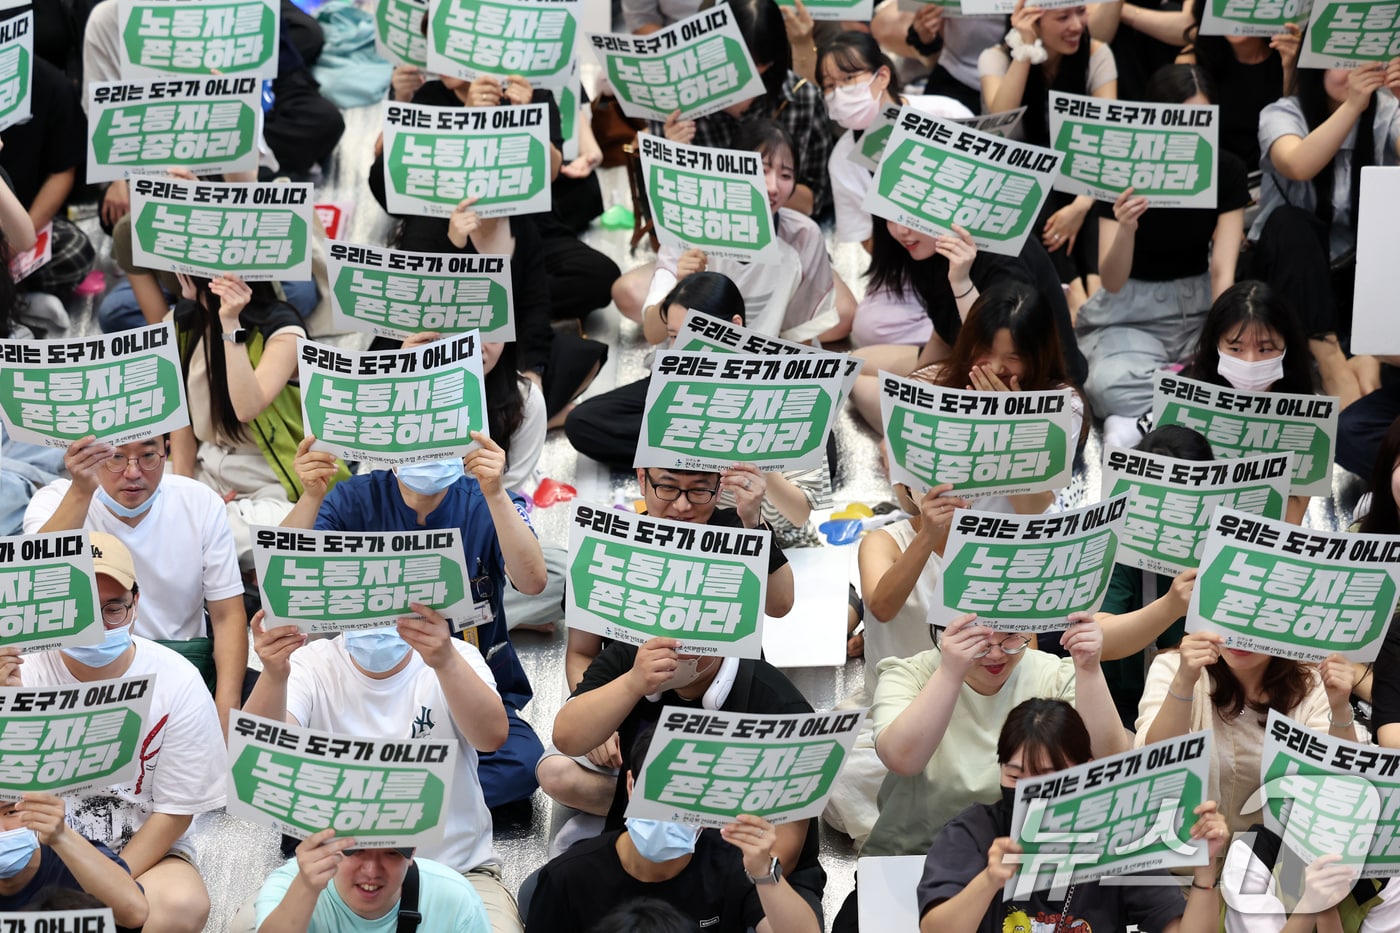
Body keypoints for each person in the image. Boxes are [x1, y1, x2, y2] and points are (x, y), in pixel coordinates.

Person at [285, 431, 547, 815]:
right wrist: (310, 496)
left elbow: (533, 580)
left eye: (438, 437)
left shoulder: (482, 502)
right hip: (366, 690)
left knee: (523, 764)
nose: (426, 449)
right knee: (292, 766)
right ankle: (418, 806)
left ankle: (367, 807)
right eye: (411, 438)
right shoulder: (351, 500)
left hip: (464, 691)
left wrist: (496, 492)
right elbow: (286, 582)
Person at [829, 610, 1124, 933]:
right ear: (946, 629)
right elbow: (903, 759)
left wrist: (1090, 669)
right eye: (981, 639)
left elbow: (1106, 764)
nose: (996, 653)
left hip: (1029, 871)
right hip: (913, 857)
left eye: (1011, 636)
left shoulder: (1056, 673)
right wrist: (951, 672)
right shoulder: (908, 673)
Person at [245, 601, 521, 933]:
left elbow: (491, 737)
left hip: (458, 869)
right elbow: (259, 756)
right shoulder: (310, 664)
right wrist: (274, 675)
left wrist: (446, 662)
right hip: (337, 875)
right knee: (248, 925)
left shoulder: (456, 656)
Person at [1, 532, 227, 933]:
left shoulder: (177, 679)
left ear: (135, 604)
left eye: (113, 609)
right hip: (34, 848)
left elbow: (175, 811)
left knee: (180, 904)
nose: (97, 625)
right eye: (81, 609)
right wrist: (7, 699)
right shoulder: (21, 666)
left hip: (144, 851)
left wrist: (108, 876)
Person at [370, 73, 607, 427]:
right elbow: (421, 315)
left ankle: (519, 411)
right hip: (437, 355)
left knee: (578, 355)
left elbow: (534, 304)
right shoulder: (430, 226)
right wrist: (454, 245)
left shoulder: (520, 224)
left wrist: (534, 373)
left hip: (495, 351)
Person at [918, 699, 1230, 933]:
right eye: (1015, 777)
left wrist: (1205, 873)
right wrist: (988, 881)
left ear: (1087, 771)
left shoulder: (1118, 834)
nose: (1029, 790)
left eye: (1046, 779)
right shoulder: (973, 832)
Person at [23, 433, 248, 731]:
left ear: (166, 451)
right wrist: (81, 491)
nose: (132, 471)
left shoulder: (199, 502)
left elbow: (228, 616)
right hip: (85, 676)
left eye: (147, 456)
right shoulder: (55, 499)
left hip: (179, 674)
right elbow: (37, 580)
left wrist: (223, 719)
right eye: (116, 457)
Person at [1078, 63, 1249, 449]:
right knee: (1106, 386)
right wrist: (1126, 227)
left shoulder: (1227, 168)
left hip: (1200, 307)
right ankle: (1183, 403)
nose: (1190, 134)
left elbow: (1223, 271)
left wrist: (1227, 340)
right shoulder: (1119, 168)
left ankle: (1153, 414)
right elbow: (1112, 279)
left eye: (1201, 121)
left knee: (1241, 375)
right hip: (1129, 312)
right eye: (1181, 121)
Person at [526, 728, 823, 933]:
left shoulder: (732, 867)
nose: (670, 815)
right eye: (659, 794)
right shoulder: (569, 877)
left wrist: (763, 871)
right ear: (631, 786)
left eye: (688, 800)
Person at [170, 271, 349, 571]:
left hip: (274, 479)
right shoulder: (184, 318)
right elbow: (181, 419)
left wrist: (230, 325)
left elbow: (246, 407)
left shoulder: (282, 328)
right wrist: (183, 493)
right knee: (143, 508)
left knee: (216, 537)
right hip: (209, 467)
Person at [1249, 59, 1400, 406]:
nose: (1354, 73)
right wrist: (1353, 106)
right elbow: (1298, 164)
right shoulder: (1283, 112)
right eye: (1341, 63)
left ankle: (1373, 353)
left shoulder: (1387, 108)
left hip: (1356, 269)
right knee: (1291, 223)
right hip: (1289, 269)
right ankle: (1332, 363)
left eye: (1365, 63)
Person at [612, 120, 846, 341]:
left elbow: (800, 335)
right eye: (762, 170)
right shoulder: (688, 228)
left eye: (786, 175)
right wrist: (679, 285)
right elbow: (653, 334)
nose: (773, 187)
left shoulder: (804, 235)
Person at [845, 225, 1085, 436]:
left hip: (1025, 395)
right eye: (893, 217)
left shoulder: (1005, 266)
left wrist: (911, 430)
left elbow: (997, 348)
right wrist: (916, 391)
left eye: (914, 220)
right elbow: (943, 332)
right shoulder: (923, 254)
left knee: (862, 387)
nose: (902, 231)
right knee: (853, 368)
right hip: (967, 370)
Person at [1135, 629, 1360, 834]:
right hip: (1185, 862)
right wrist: (1184, 681)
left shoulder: (1312, 684)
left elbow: (1340, 788)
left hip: (1273, 867)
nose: (1239, 634)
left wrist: (1340, 709)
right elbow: (1155, 764)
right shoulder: (1175, 666)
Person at [980, 0, 1118, 311]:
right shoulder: (995, 58)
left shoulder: (1097, 53)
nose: (1076, 25)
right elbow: (1001, 119)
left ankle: (1093, 287)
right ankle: (1075, 292)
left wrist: (1081, 207)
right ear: (1033, 20)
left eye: (1081, 12)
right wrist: (1025, 50)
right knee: (1032, 178)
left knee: (1088, 184)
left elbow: (1107, 143)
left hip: (1082, 176)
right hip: (1019, 178)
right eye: (1063, 16)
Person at [911, 281, 1086, 515]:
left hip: (1014, 537)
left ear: (1038, 357)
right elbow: (909, 505)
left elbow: (1031, 509)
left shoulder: (1063, 403)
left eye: (1013, 357)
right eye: (985, 351)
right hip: (943, 529)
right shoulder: (929, 385)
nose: (994, 367)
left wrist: (1008, 424)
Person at [654, 0, 832, 218]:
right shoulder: (675, 106)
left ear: (773, 59)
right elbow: (663, 205)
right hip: (703, 234)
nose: (742, 75)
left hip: (783, 233)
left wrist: (758, 181)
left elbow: (813, 201)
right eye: (733, 61)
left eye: (758, 64)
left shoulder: (803, 100)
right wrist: (674, 155)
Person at [1177, 280, 1317, 524]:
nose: (1250, 361)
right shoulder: (1187, 401)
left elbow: (1292, 518)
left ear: (1286, 348)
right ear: (1216, 346)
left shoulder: (1308, 418)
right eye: (1235, 348)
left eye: (1265, 349)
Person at [818, 32, 973, 252]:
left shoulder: (945, 112)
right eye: (829, 85)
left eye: (848, 79)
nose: (839, 92)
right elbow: (868, 240)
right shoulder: (843, 159)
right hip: (907, 262)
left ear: (882, 76)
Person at [251, 831, 489, 933]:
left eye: (391, 853)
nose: (372, 870)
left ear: (412, 852)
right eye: (358, 851)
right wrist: (306, 887)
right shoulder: (291, 885)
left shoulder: (454, 898)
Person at [0, 793, 148, 927]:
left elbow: (135, 914)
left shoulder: (70, 856)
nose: (2, 831)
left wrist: (61, 837)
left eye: (11, 812)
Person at [1177, 9, 1299, 171]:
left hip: (1277, 176)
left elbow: (1295, 124)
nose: (1236, 14)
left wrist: (1291, 68)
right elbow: (1183, 143)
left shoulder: (1288, 56)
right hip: (1216, 177)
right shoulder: (1193, 60)